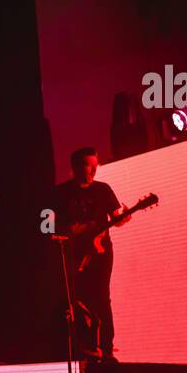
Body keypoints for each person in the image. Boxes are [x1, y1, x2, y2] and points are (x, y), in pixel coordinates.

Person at [54, 147, 130, 359]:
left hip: (100, 252)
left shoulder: (103, 190)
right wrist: (67, 230)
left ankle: (106, 347)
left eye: (95, 166)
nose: (93, 170)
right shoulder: (60, 193)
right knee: (75, 298)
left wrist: (123, 218)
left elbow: (117, 216)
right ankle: (82, 344)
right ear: (76, 167)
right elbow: (45, 223)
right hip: (72, 253)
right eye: (88, 165)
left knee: (102, 298)